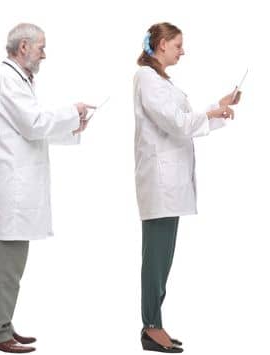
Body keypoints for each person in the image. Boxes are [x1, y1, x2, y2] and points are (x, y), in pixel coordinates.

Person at [0, 23, 94, 354]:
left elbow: (33, 128)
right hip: (12, 186)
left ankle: (1, 324)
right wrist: (72, 112)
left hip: (19, 184)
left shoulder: (19, 79)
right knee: (8, 263)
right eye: (41, 46)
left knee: (11, 262)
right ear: (23, 46)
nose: (45, 52)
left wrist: (73, 126)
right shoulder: (6, 79)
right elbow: (33, 123)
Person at [131, 22, 240, 354]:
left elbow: (182, 118)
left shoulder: (160, 80)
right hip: (160, 182)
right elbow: (176, 123)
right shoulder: (146, 79)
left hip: (170, 182)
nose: (182, 51)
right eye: (178, 45)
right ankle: (150, 326)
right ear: (162, 44)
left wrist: (217, 108)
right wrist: (211, 113)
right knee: (156, 258)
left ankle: (156, 323)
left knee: (163, 258)